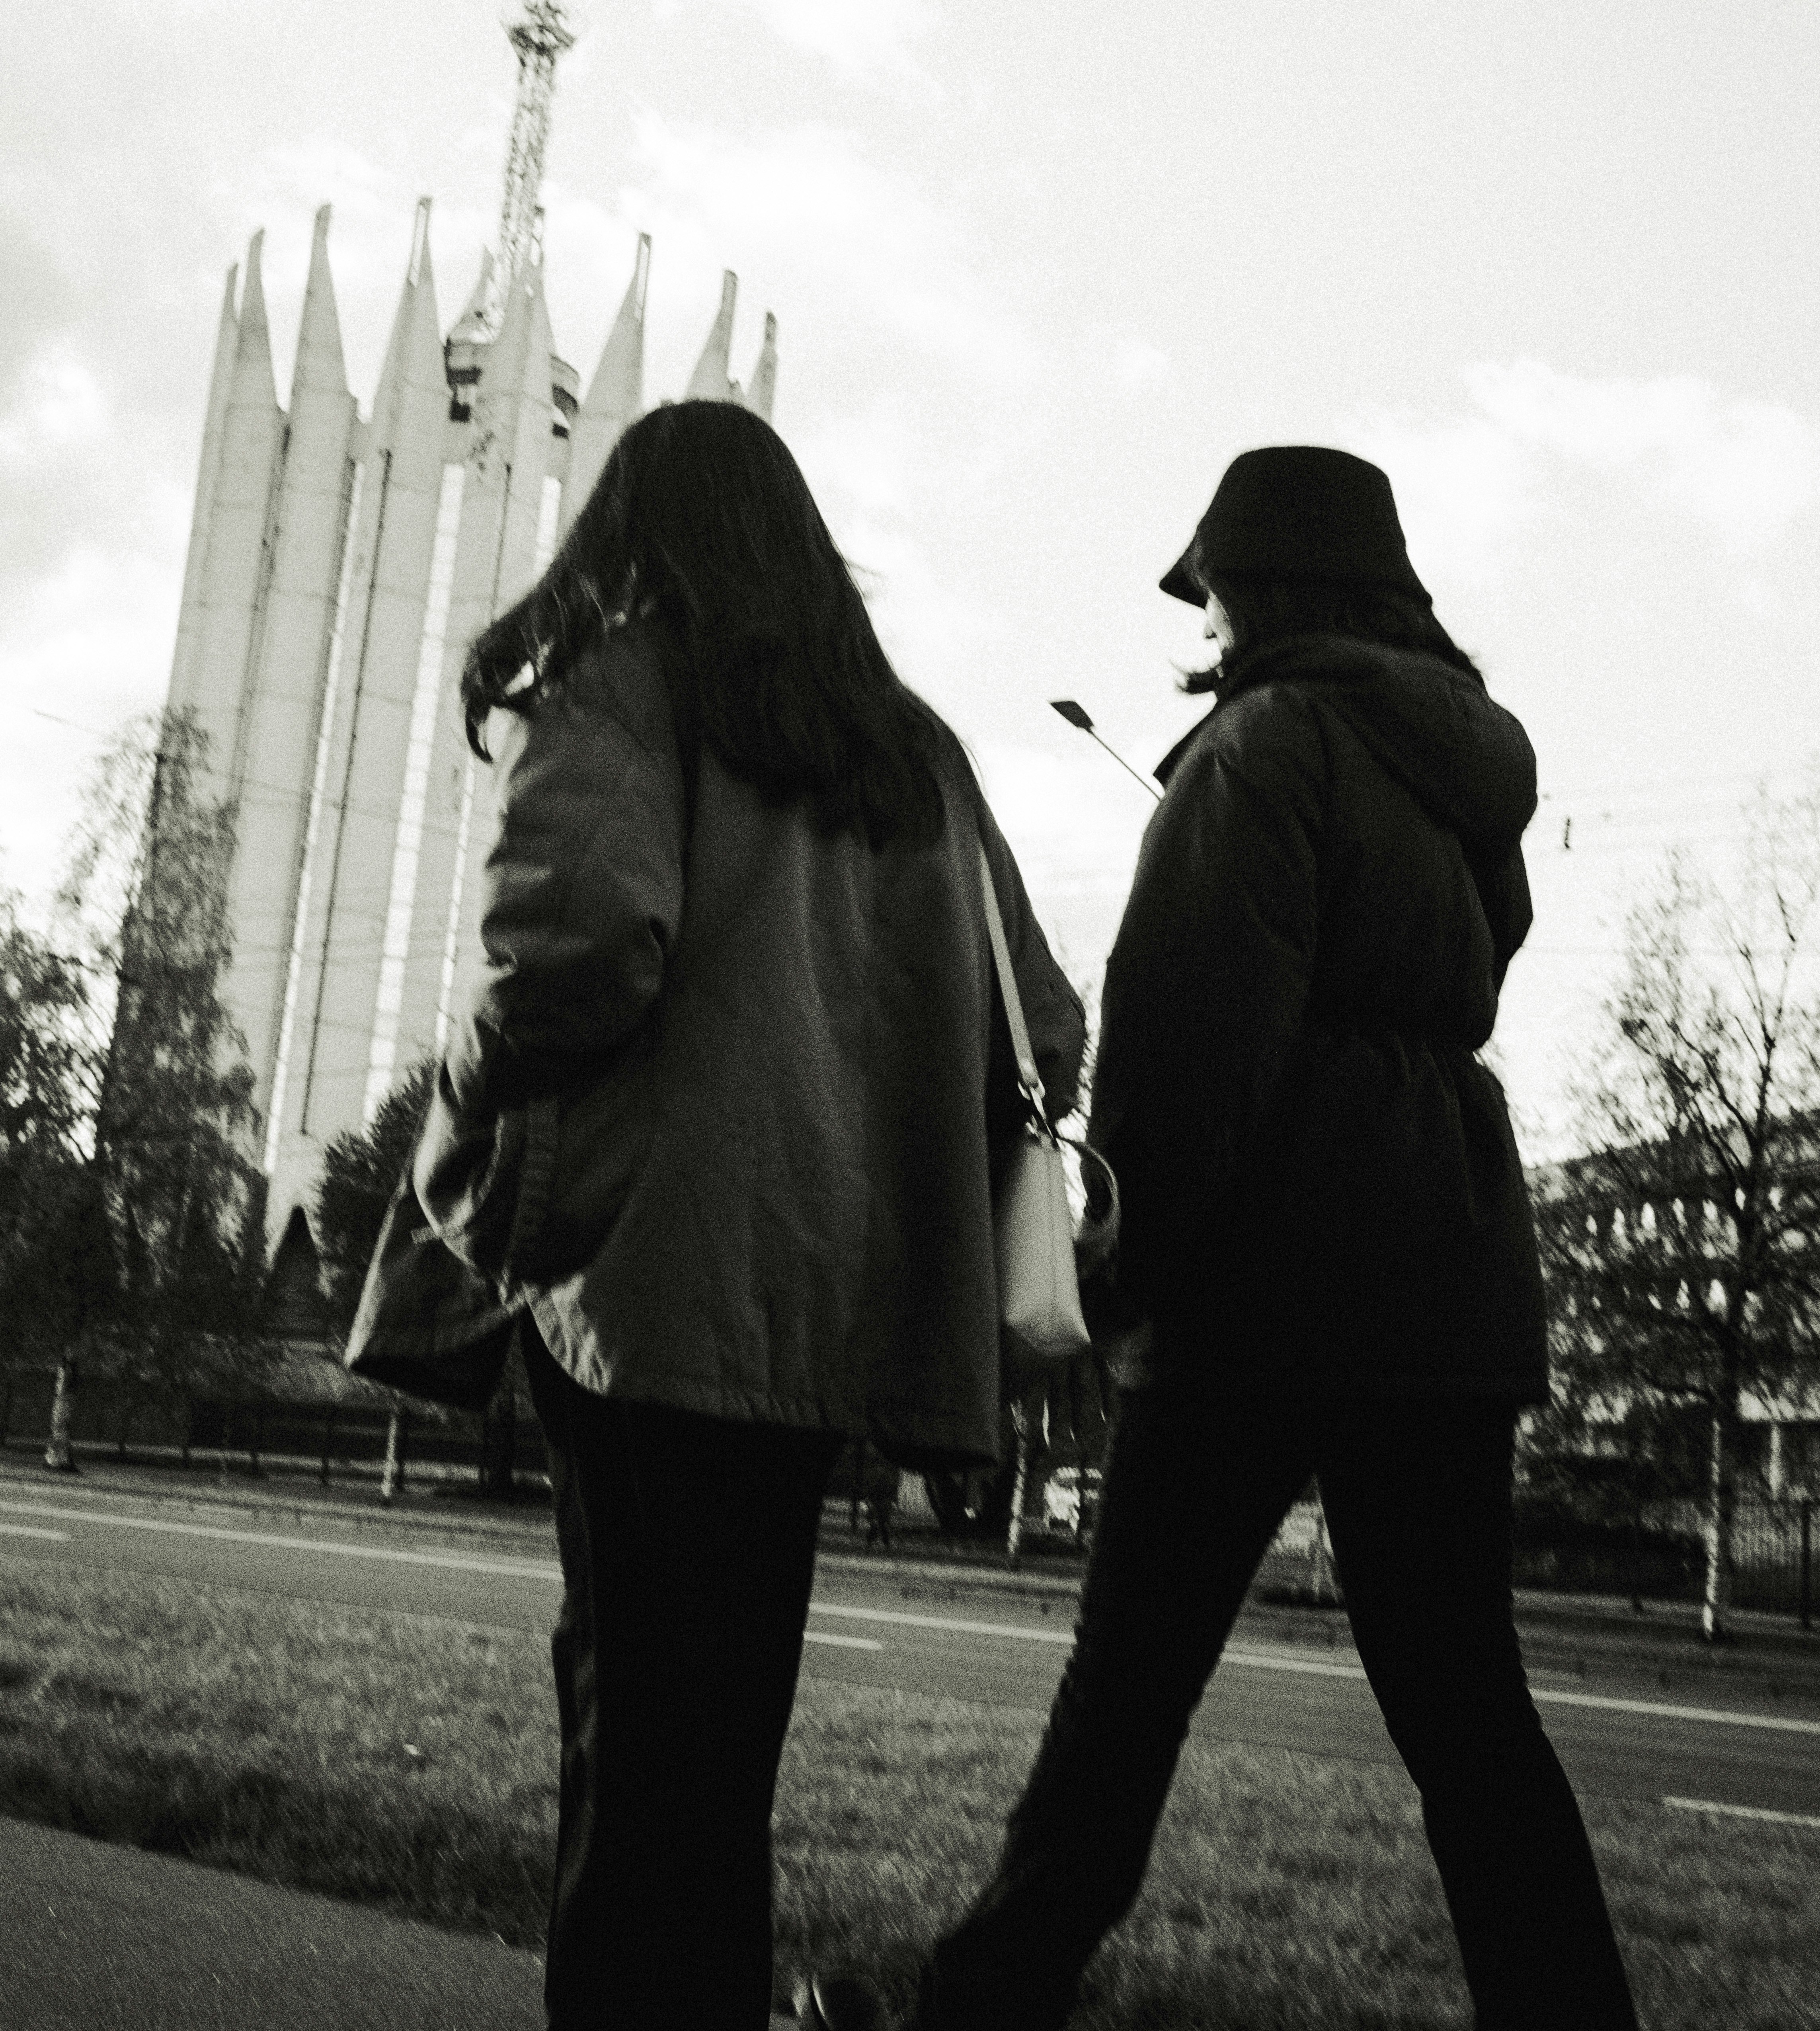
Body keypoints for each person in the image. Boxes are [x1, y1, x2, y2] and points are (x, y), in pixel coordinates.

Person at [917, 447, 1637, 2031]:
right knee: (1469, 1715)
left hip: (1261, 1286)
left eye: (1221, 581)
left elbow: (1185, 1053)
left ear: (1283, 584)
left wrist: (1115, 1281)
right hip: (1443, 1261)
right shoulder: (1467, 774)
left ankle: (973, 2008)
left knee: (1124, 1697)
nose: (1211, 613)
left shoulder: (1264, 746)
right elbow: (1483, 964)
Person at [423, 399, 1085, 2031]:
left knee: (636, 1752)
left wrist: (459, 1076)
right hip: (828, 1319)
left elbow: (575, 950)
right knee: (717, 1769)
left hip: (653, 1293)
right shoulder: (909, 748)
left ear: (627, 530)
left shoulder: (626, 675)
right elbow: (1045, 1027)